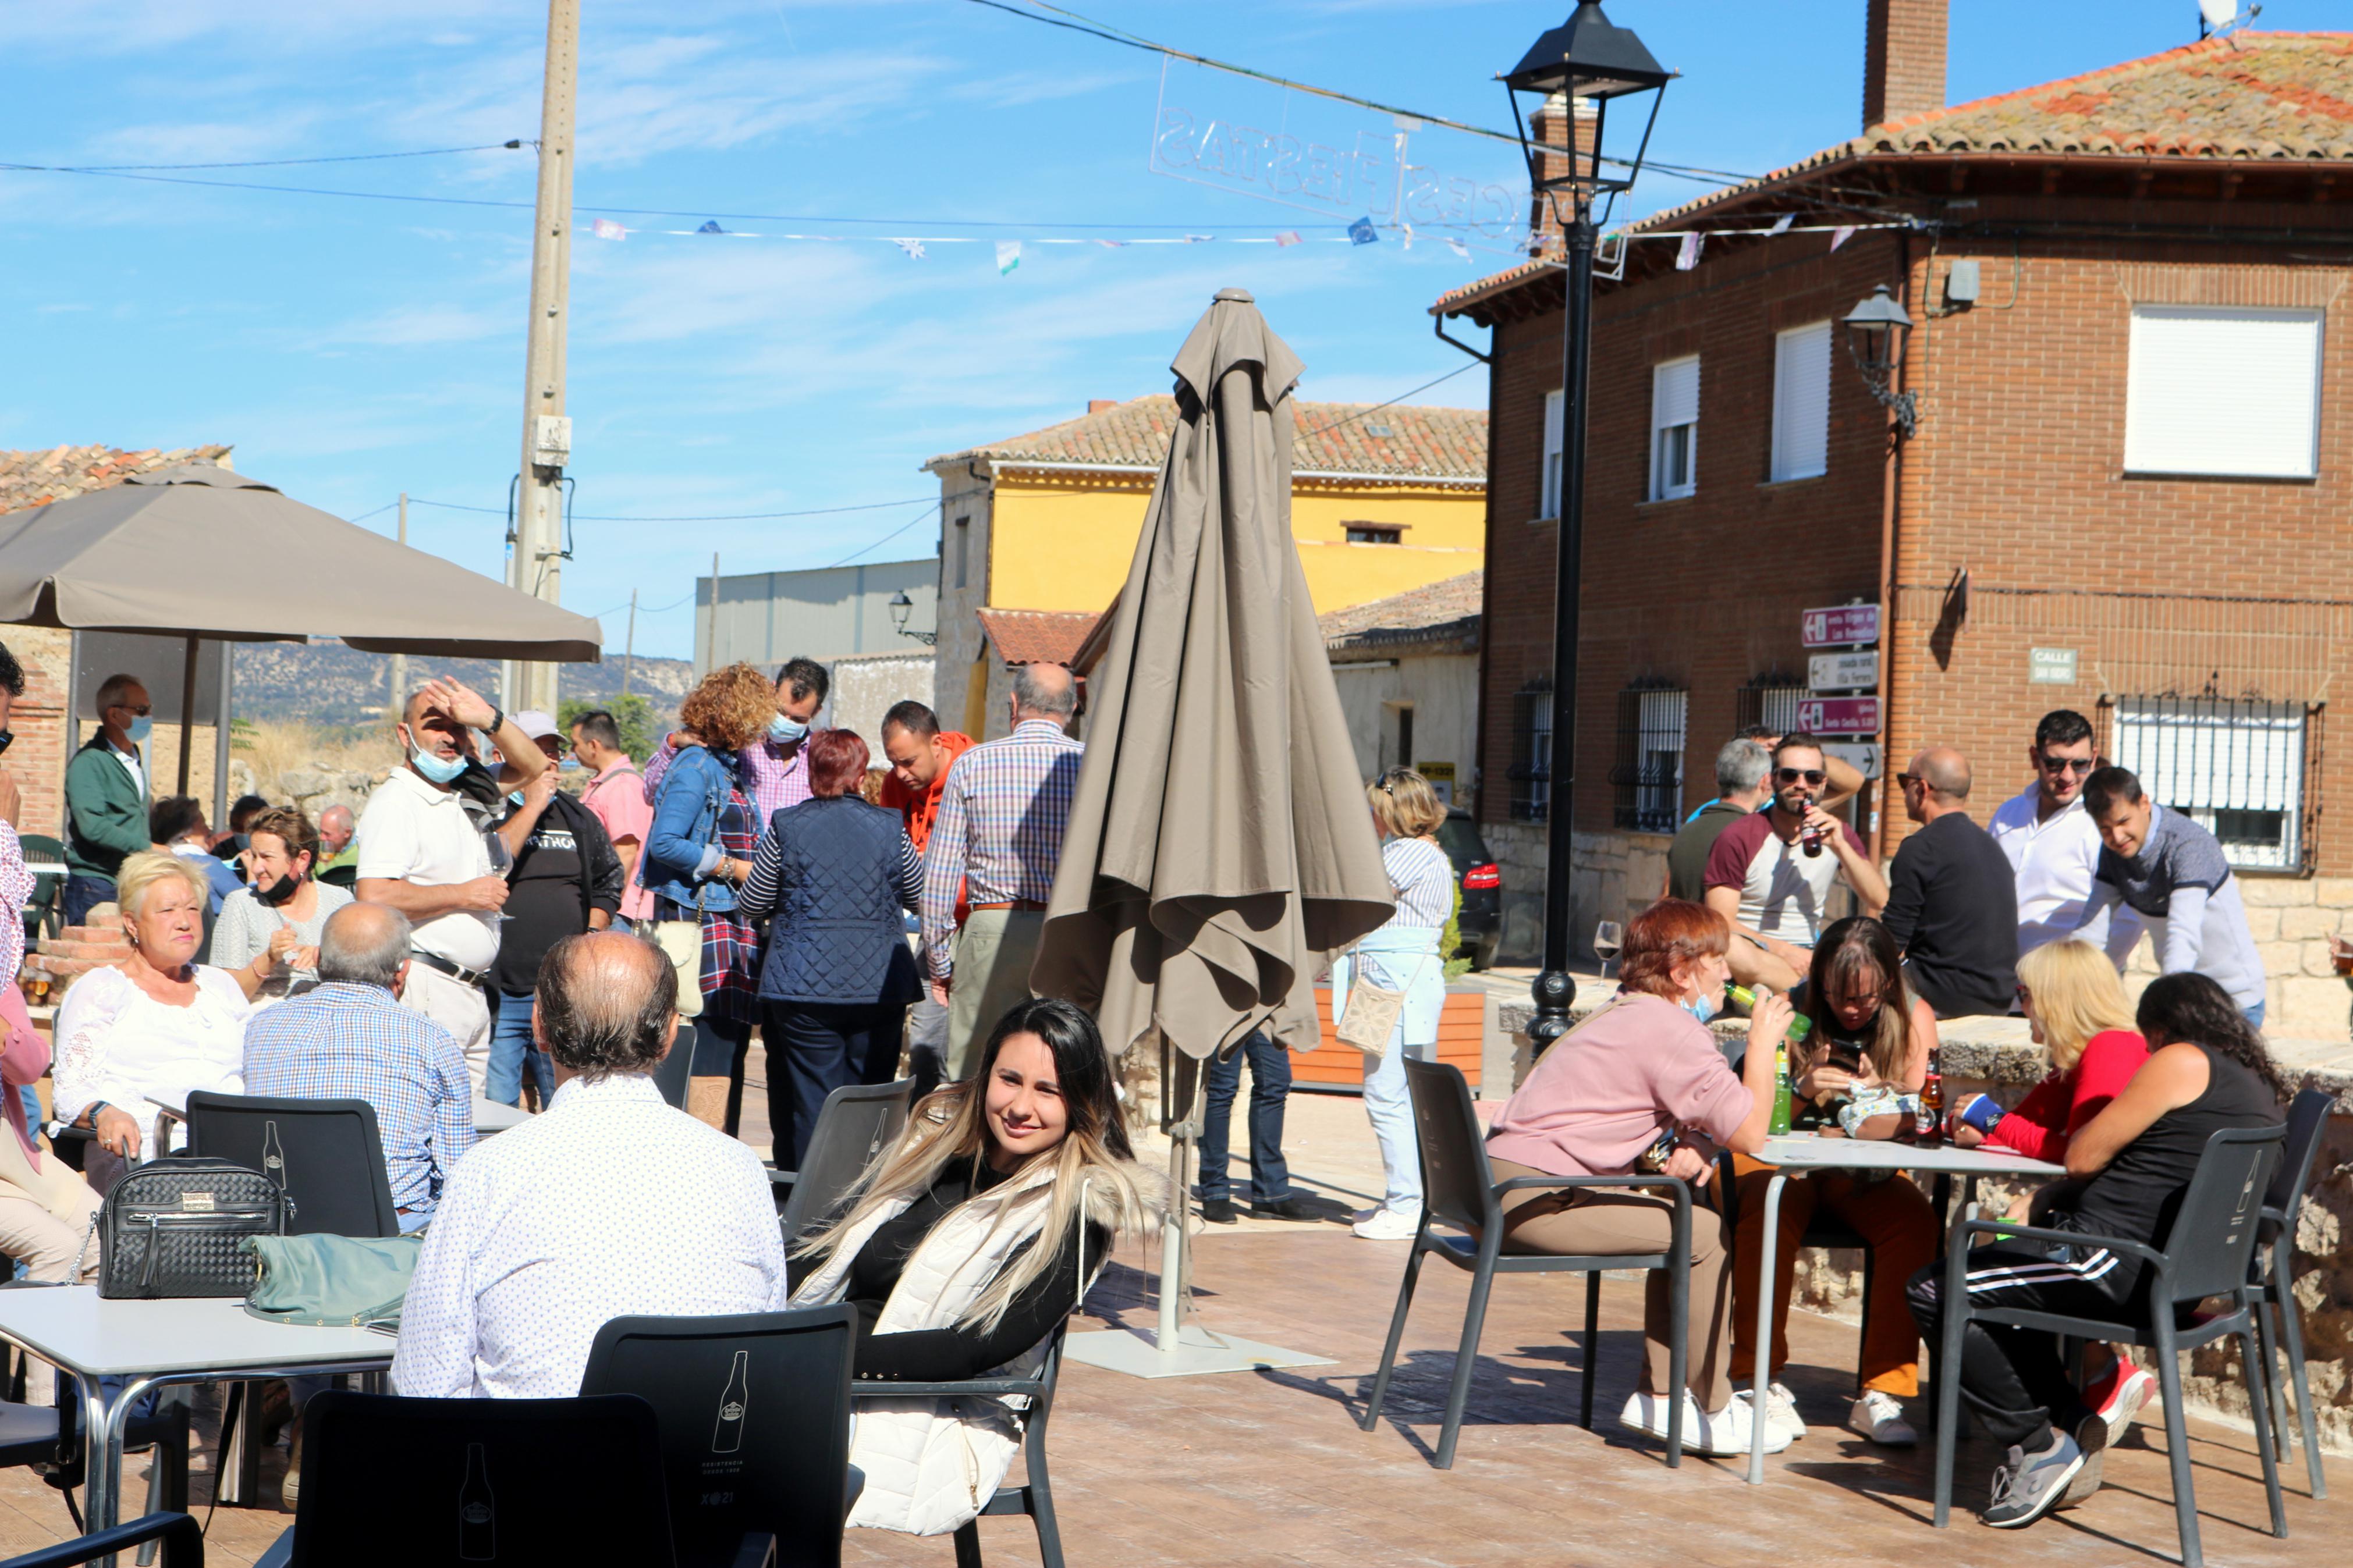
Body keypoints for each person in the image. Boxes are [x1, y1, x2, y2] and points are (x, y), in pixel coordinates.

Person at [1906, 972, 2285, 1528]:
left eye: (2146, 1041)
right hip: (2175, 1276)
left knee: (1937, 1288)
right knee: (2000, 1277)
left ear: (2159, 1029)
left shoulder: (2179, 1060)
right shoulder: (2250, 1083)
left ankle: (2037, 1444)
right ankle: (2070, 1421)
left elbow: (2083, 1155)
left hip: (2111, 1261)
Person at [791, 997, 1158, 1537]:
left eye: (1048, 1091)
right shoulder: (932, 1149)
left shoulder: (1080, 1211)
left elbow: (976, 1345)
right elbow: (827, 1248)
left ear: (1080, 1103)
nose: (1021, 1106)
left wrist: (820, 1357)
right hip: (823, 1368)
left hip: (927, 1407)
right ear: (986, 1076)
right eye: (1010, 1079)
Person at [394, 931, 787, 1399]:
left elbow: (424, 1383)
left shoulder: (489, 1169)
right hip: (698, 1462)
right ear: (669, 1035)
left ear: (539, 1027)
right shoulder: (740, 1167)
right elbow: (767, 1346)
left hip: (539, 1462)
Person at [1483, 899, 1788, 1457]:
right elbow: (1750, 1133)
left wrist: (1696, 1141)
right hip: (1534, 1200)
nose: (1728, 973)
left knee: (1676, 1221)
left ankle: (1662, 1398)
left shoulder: (1623, 1010)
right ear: (1680, 972)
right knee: (1700, 1235)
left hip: (1502, 1188)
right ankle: (1709, 1407)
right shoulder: (1670, 1029)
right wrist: (1764, 1045)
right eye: (1717, 960)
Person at [1729, 916, 1939, 1448]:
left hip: (1860, 1175)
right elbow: (1746, 1112)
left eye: (1865, 998)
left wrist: (1879, 1092)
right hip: (1789, 1168)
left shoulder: (1913, 1018)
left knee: (1914, 1221)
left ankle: (1882, 1391)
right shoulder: (1790, 1010)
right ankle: (1758, 1379)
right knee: (1766, 1203)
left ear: (1888, 983)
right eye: (1838, 995)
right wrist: (1800, 1088)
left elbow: (1922, 1115)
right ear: (1818, 981)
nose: (1850, 1009)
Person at [1946, 937, 2159, 1443]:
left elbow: (2078, 1155)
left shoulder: (2111, 1048)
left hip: (2113, 1242)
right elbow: (2026, 1125)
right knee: (1985, 1243)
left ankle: (2061, 1394)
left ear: (2056, 996)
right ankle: (2090, 1372)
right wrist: (1990, 1125)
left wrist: (1990, 1117)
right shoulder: (2086, 1052)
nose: (2020, 1002)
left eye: (2025, 991)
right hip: (2096, 1222)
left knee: (1975, 1255)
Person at [736, 728, 922, 1171]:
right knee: (870, 1100)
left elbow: (753, 901)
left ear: (813, 772)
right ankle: (858, 1203)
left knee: (809, 1102)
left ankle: (808, 1211)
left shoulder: (787, 825)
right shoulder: (890, 827)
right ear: (860, 774)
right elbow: (918, 892)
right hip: (879, 987)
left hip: (802, 989)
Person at [354, 678, 547, 1096]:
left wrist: (487, 719)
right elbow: (374, 895)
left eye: (458, 727)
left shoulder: (466, 790)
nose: (449, 736)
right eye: (436, 725)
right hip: (428, 984)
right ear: (405, 735)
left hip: (470, 990)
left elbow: (534, 767)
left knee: (464, 1125)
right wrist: (464, 894)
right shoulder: (397, 801)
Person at [242, 903, 475, 1231]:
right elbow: (457, 1171)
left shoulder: (262, 1026)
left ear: (320, 959)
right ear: (403, 970)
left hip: (279, 1229)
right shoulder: (431, 1039)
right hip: (388, 1239)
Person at [920, 664, 1084, 1082]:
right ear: (1073, 706)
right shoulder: (1091, 767)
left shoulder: (973, 763)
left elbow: (938, 876)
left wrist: (941, 963)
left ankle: (972, 1147)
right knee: (1061, 1065)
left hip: (991, 926)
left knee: (972, 1069)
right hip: (1065, 930)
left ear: (1013, 705)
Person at [52, 852, 251, 1193]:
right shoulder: (103, 989)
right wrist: (105, 1113)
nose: (185, 922)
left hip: (232, 1159)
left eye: (192, 909)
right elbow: (70, 1092)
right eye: (167, 910)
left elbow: (256, 1071)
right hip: (140, 1159)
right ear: (132, 924)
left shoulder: (221, 986)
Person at [642, 664, 772, 1129]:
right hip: (703, 923)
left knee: (725, 1045)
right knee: (709, 1045)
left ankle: (717, 1148)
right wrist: (732, 866)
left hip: (727, 921)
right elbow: (664, 842)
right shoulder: (698, 767)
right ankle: (702, 1152)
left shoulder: (722, 765)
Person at [1332, 768, 1454, 1243]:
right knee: (1404, 1092)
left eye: (1375, 808)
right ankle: (1408, 1196)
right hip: (1400, 980)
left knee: (1387, 1094)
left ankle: (1406, 1202)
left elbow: (1359, 894)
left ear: (1392, 812)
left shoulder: (1408, 854)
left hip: (1394, 983)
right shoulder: (1422, 853)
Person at [485, 712, 623, 1110]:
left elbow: (609, 879)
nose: (549, 761)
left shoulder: (577, 817)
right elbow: (487, 862)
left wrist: (592, 936)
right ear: (504, 753)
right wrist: (531, 806)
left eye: (554, 752)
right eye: (535, 751)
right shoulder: (486, 810)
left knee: (565, 1100)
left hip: (559, 992)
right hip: (502, 992)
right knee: (497, 1109)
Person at [2072, 767, 2267, 1026]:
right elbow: (2091, 929)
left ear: (2144, 803)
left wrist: (2168, 1007)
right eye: (2104, 829)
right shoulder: (2113, 853)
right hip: (2186, 995)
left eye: (2123, 822)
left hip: (2233, 1001)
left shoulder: (2188, 845)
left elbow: (2182, 935)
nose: (2117, 837)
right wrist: (2066, 984)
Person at [1703, 733, 1887, 966]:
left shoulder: (1835, 833)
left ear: (1823, 783)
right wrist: (1784, 952)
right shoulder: (1740, 836)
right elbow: (1721, 922)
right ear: (1772, 780)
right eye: (1790, 775)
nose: (1801, 785)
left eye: (1813, 777)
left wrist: (1841, 847)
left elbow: (1879, 899)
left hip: (1808, 954)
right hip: (1753, 955)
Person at [1989, 710, 2142, 967]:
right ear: (2035, 758)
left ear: (2094, 759)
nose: (2068, 777)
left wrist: (2093, 973)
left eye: (2079, 764)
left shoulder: (2103, 826)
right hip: (2002, 981)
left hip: (2067, 990)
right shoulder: (2008, 814)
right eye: (2055, 764)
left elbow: (2130, 912)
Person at [876, 700, 975, 1099]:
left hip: (978, 923)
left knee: (972, 1044)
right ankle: (923, 1139)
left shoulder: (974, 772)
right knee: (924, 1044)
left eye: (909, 761)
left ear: (937, 743)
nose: (901, 773)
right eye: (893, 762)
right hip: (932, 927)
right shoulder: (894, 785)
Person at [1879, 747, 2019, 1018]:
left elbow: (1890, 943)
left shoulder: (1921, 848)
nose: (1903, 791)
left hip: (1943, 996)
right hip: (2000, 997)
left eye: (1903, 783)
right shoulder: (1992, 846)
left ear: (1922, 788)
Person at [1665, 738, 1798, 991]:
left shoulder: (1686, 831)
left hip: (1684, 969)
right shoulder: (1751, 838)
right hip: (1728, 976)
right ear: (1765, 782)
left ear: (1715, 776)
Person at [642, 655, 830, 824]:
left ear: (817, 712)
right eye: (781, 713)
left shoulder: (823, 759)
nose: (785, 723)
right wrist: (673, 744)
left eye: (798, 720)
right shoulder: (737, 743)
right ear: (772, 691)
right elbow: (652, 793)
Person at [209, 806, 353, 1004]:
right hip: (264, 1019)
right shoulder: (241, 904)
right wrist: (268, 958)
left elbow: (361, 980)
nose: (256, 868)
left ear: (302, 860)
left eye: (266, 857)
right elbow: (224, 995)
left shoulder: (339, 902)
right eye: (254, 856)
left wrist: (325, 958)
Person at [1197, 1027, 1321, 1224]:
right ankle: (1215, 1192)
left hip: (1267, 1003)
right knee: (1222, 1088)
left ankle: (1271, 1195)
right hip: (1228, 1004)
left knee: (1275, 1084)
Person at [62, 673, 152, 927]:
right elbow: (93, 827)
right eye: (142, 710)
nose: (148, 717)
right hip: (97, 885)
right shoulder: (88, 763)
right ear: (114, 715)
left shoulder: (133, 758)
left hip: (130, 881)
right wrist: (148, 847)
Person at [570, 709, 653, 930]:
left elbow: (626, 852)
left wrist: (606, 908)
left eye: (575, 744)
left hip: (618, 914)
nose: (572, 751)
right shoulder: (610, 783)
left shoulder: (622, 786)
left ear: (594, 745)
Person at [1681, 724, 1862, 823]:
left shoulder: (1785, 804)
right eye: (1751, 756)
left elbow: (1854, 782)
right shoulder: (1706, 816)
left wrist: (1792, 749)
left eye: (1767, 759)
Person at [151, 796, 241, 916]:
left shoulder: (157, 866)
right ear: (186, 836)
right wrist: (251, 874)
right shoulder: (208, 864)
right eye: (203, 826)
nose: (208, 831)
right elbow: (246, 902)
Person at [314, 804, 359, 878]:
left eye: (327, 834)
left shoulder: (363, 852)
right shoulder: (321, 848)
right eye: (321, 832)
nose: (322, 838)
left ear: (347, 833)